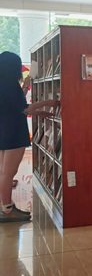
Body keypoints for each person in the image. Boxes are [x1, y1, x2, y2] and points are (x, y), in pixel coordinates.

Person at [0, 52, 58, 222]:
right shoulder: (10, 84)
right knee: (8, 173)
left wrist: (26, 87)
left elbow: (15, 106)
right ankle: (7, 209)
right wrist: (47, 103)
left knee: (4, 172)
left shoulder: (4, 83)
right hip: (13, 132)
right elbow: (23, 109)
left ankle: (5, 206)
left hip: (4, 130)